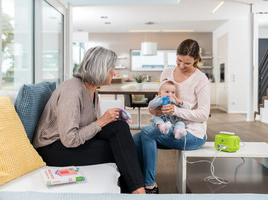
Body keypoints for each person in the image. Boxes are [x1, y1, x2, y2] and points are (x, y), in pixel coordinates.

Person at [33, 46, 145, 194]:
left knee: (120, 128)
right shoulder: (73, 91)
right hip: (54, 149)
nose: (115, 72)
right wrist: (102, 121)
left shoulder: (91, 90)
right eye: (111, 68)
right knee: (120, 150)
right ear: (99, 69)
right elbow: (70, 139)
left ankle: (136, 191)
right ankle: (138, 193)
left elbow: (87, 126)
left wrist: (109, 120)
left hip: (70, 143)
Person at [133, 39, 210, 194]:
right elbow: (159, 100)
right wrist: (155, 111)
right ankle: (137, 181)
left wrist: (175, 111)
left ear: (196, 60)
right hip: (168, 125)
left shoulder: (201, 79)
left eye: (187, 63)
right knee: (136, 138)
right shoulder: (167, 73)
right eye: (179, 60)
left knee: (147, 133)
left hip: (192, 133)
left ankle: (149, 186)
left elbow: (203, 114)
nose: (181, 66)